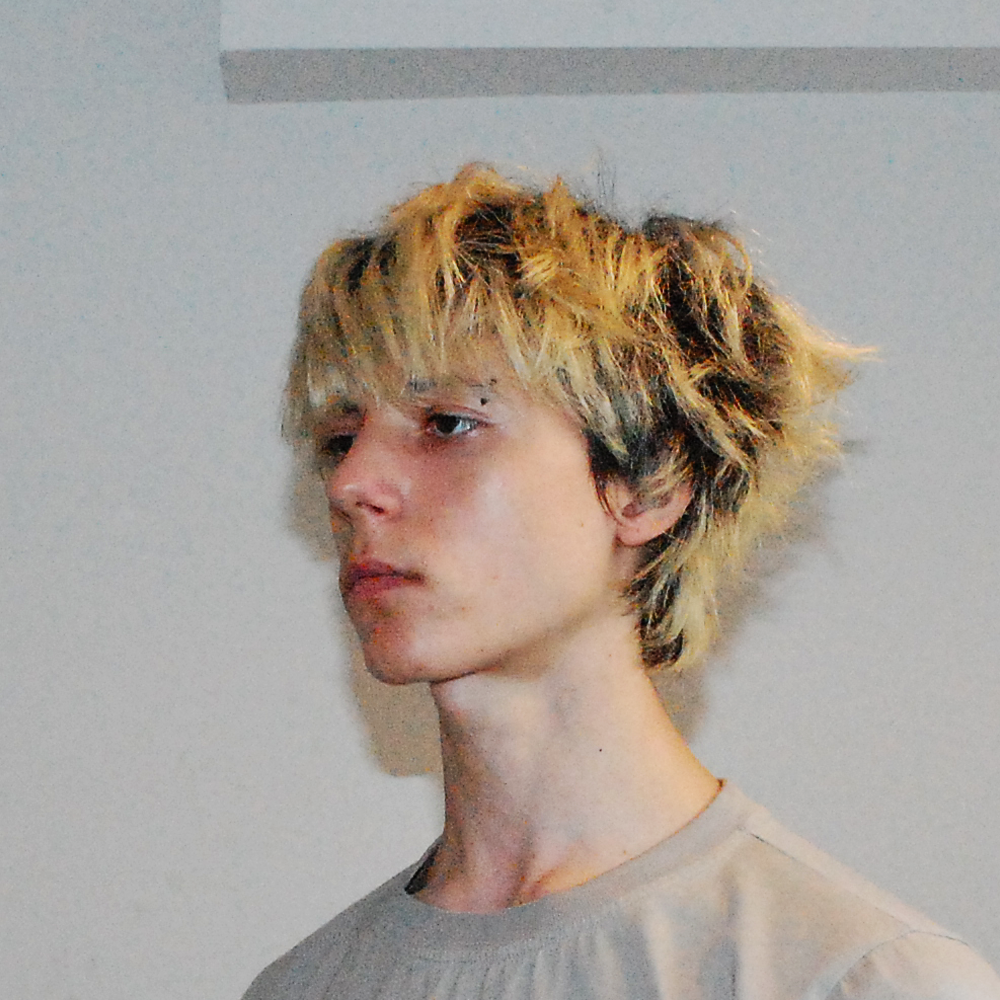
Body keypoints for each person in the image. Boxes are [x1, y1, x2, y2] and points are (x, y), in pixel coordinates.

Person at [242, 164, 1000, 999]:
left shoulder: (856, 977)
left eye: (448, 424)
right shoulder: (303, 988)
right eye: (340, 440)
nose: (352, 485)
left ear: (648, 483)